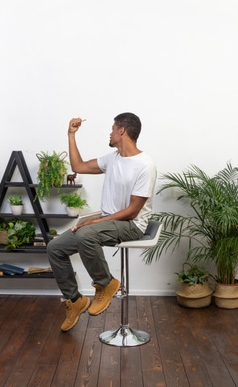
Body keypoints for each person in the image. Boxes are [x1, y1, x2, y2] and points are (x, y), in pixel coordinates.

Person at [47, 112, 157, 332]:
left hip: (131, 224)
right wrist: (71, 134)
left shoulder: (145, 165)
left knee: (87, 234)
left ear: (122, 130)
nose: (110, 132)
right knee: (55, 247)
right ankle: (75, 300)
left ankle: (106, 284)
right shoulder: (112, 158)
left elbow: (133, 211)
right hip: (108, 220)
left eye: (113, 128)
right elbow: (77, 166)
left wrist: (96, 223)